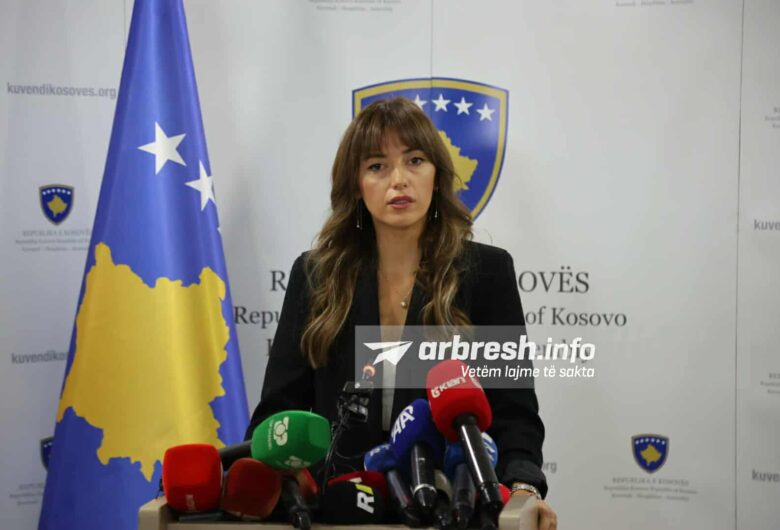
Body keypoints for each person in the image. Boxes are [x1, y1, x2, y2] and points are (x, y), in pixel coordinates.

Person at [246, 97, 557, 529]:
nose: (399, 180)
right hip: (339, 511)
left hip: (453, 508)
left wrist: (523, 490)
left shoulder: (485, 272)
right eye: (377, 166)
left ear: (437, 175)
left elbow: (513, 412)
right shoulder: (316, 275)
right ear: (356, 184)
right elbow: (278, 412)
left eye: (414, 160)